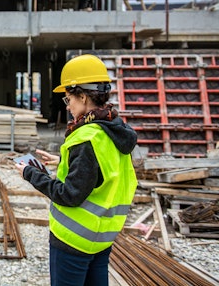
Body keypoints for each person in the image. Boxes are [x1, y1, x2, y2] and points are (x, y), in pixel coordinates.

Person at [15, 54, 138, 286]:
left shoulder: (85, 138)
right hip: (103, 236)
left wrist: (31, 174)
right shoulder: (113, 128)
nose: (68, 105)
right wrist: (65, 159)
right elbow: (102, 167)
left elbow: (69, 194)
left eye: (68, 98)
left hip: (74, 240)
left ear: (82, 96)